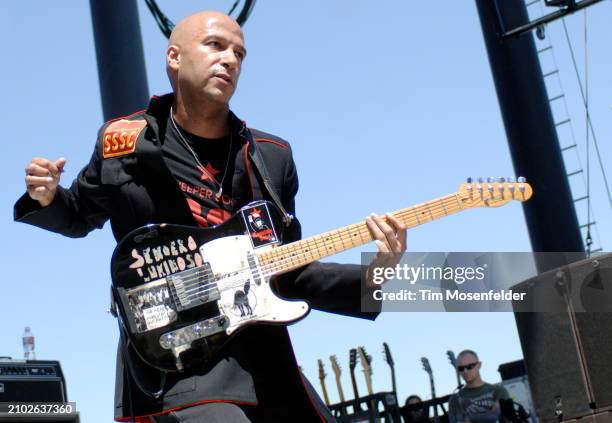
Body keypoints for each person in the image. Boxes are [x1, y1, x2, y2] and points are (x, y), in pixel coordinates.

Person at [14, 11, 407, 423]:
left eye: (239, 53)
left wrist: (377, 273)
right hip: (174, 356)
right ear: (174, 57)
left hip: (259, 354)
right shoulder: (124, 141)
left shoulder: (271, 156)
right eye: (216, 46)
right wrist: (46, 197)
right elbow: (77, 215)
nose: (230, 60)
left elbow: (289, 271)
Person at [448, 350, 510, 423]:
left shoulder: (498, 391)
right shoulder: (455, 399)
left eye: (469, 367)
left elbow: (499, 417)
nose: (465, 371)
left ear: (479, 365)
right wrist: (489, 415)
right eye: (461, 368)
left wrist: (470, 418)